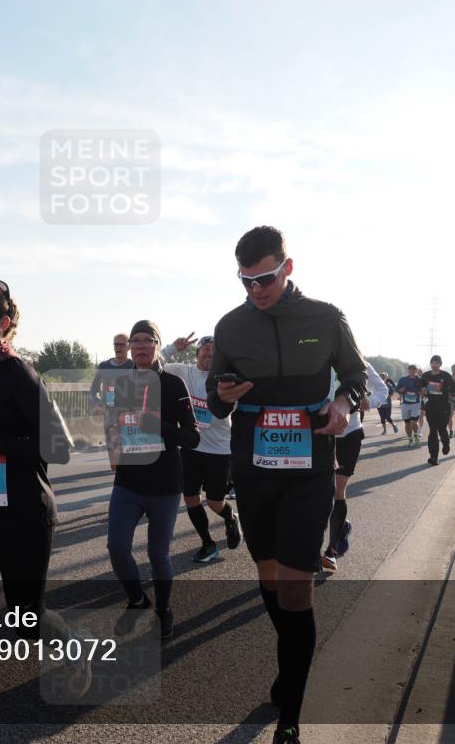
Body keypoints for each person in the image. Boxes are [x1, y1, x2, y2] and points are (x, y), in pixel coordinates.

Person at [206, 226, 366, 744]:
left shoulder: (325, 318)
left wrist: (344, 404)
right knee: (271, 583)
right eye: (246, 281)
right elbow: (216, 400)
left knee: (296, 591)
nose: (256, 289)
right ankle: (290, 667)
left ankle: (291, 718)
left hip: (307, 474)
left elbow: (357, 379)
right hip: (252, 474)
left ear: (288, 267)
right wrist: (225, 393)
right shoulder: (231, 327)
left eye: (266, 278)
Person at [0, 280, 88, 744]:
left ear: (2, 324)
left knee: (26, 616)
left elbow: (59, 448)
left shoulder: (18, 373)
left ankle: (73, 645)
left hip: (25, 519)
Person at [106, 321, 200, 639]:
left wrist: (158, 425)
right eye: (136, 341)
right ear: (130, 347)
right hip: (129, 482)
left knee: (158, 554)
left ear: (158, 346)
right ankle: (137, 600)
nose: (142, 346)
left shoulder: (173, 384)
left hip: (164, 484)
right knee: (117, 548)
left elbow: (192, 438)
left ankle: (163, 611)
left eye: (149, 340)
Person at [160, 333, 240, 563]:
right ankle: (208, 543)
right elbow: (153, 365)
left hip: (219, 449)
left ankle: (230, 518)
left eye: (215, 352)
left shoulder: (227, 380)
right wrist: (172, 348)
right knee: (190, 497)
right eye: (205, 349)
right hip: (190, 446)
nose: (209, 353)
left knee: (215, 502)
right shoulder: (184, 372)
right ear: (197, 353)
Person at [322, 361, 388, 573]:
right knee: (322, 491)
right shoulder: (317, 361)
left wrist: (370, 401)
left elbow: (383, 389)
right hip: (323, 433)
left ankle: (331, 551)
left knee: (337, 488)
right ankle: (341, 528)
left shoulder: (360, 364)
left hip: (350, 433)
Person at [89, 334, 134, 470]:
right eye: (116, 344)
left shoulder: (133, 365)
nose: (118, 347)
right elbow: (92, 391)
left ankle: (125, 473)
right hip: (109, 410)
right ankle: (116, 470)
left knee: (126, 445)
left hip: (128, 411)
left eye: (122, 345)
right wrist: (96, 402)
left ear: (129, 347)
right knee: (112, 444)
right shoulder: (104, 366)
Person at [422, 355, 455, 467]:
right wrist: (422, 390)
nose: (434, 365)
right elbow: (420, 386)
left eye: (437, 363)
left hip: (443, 407)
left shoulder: (445, 375)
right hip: (431, 406)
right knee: (433, 431)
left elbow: (454, 389)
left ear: (440, 364)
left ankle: (446, 444)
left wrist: (442, 388)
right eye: (433, 362)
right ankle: (434, 457)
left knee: (442, 429)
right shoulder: (425, 375)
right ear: (430, 363)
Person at [395, 365, 424, 447]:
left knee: (413, 421)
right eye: (410, 369)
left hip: (416, 404)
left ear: (416, 370)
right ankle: (410, 439)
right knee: (407, 423)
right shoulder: (403, 379)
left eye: (413, 369)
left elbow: (424, 391)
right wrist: (400, 390)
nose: (412, 371)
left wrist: (420, 392)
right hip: (405, 404)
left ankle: (416, 435)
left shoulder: (419, 380)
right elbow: (396, 389)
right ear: (408, 370)